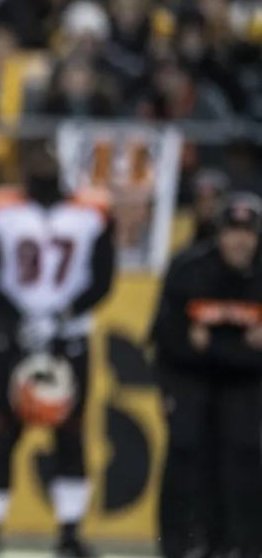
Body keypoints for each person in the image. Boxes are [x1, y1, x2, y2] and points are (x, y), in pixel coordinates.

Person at [0, 140, 115, 556]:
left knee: (70, 431)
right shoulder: (0, 209)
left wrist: (62, 315)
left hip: (70, 338)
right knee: (3, 430)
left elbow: (103, 278)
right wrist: (19, 319)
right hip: (15, 337)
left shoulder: (93, 211)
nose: (42, 162)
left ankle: (69, 531)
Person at [151, 192, 262, 558]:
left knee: (245, 453)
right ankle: (178, 546)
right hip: (188, 374)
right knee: (185, 447)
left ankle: (243, 545)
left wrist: (212, 345)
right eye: (232, 231)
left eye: (248, 232)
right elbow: (164, 336)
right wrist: (236, 349)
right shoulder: (189, 267)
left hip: (245, 379)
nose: (240, 240)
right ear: (218, 234)